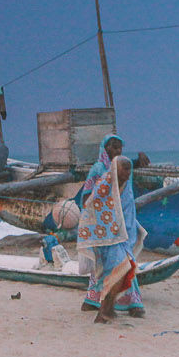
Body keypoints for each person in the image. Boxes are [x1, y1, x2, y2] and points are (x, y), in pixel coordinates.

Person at [76, 134, 147, 322]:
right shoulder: (100, 170)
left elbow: (125, 195)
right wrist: (102, 216)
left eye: (119, 147)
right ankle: (123, 306)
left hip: (125, 225)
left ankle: (97, 303)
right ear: (104, 149)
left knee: (117, 265)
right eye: (113, 147)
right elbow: (87, 199)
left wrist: (137, 163)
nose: (117, 151)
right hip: (108, 229)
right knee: (121, 265)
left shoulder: (122, 169)